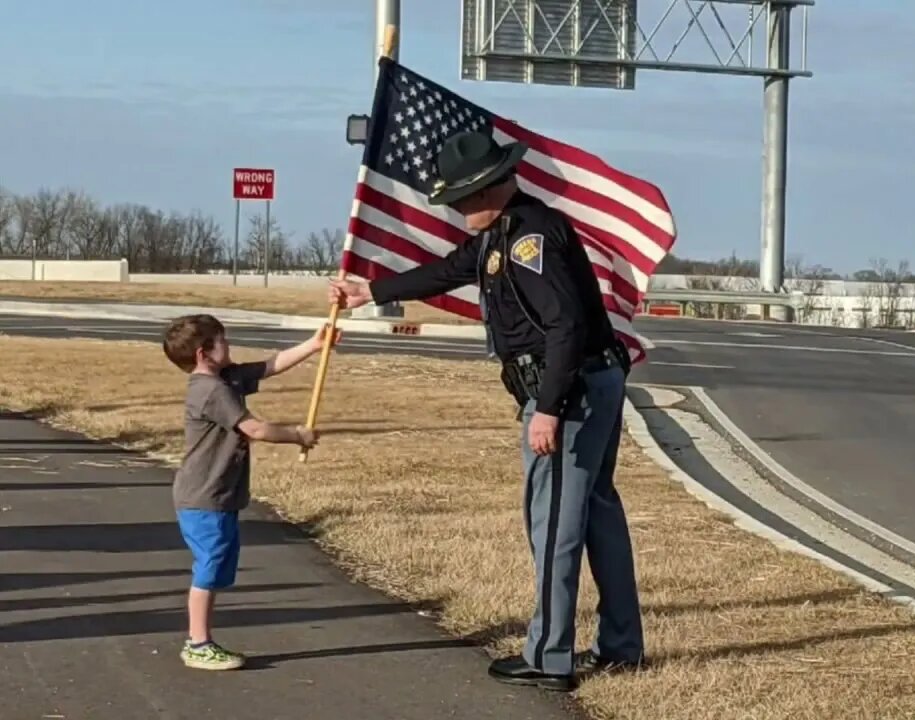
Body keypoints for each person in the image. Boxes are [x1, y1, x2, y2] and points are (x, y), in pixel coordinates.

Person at [328, 130, 645, 691]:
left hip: (568, 393)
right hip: (592, 381)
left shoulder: (528, 238)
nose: (455, 208)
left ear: (488, 190)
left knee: (554, 526)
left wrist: (548, 409)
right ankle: (621, 645)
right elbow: (450, 270)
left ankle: (550, 658)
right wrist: (369, 292)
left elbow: (564, 326)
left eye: (461, 198)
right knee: (597, 511)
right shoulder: (506, 229)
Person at [161, 313, 340, 671]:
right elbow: (255, 429)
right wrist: (297, 435)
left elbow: (270, 366)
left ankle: (199, 641)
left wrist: (315, 344)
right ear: (203, 353)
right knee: (209, 568)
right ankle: (197, 643)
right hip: (203, 495)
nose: (229, 345)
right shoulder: (211, 391)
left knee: (216, 565)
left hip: (217, 494)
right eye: (222, 340)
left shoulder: (223, 378)